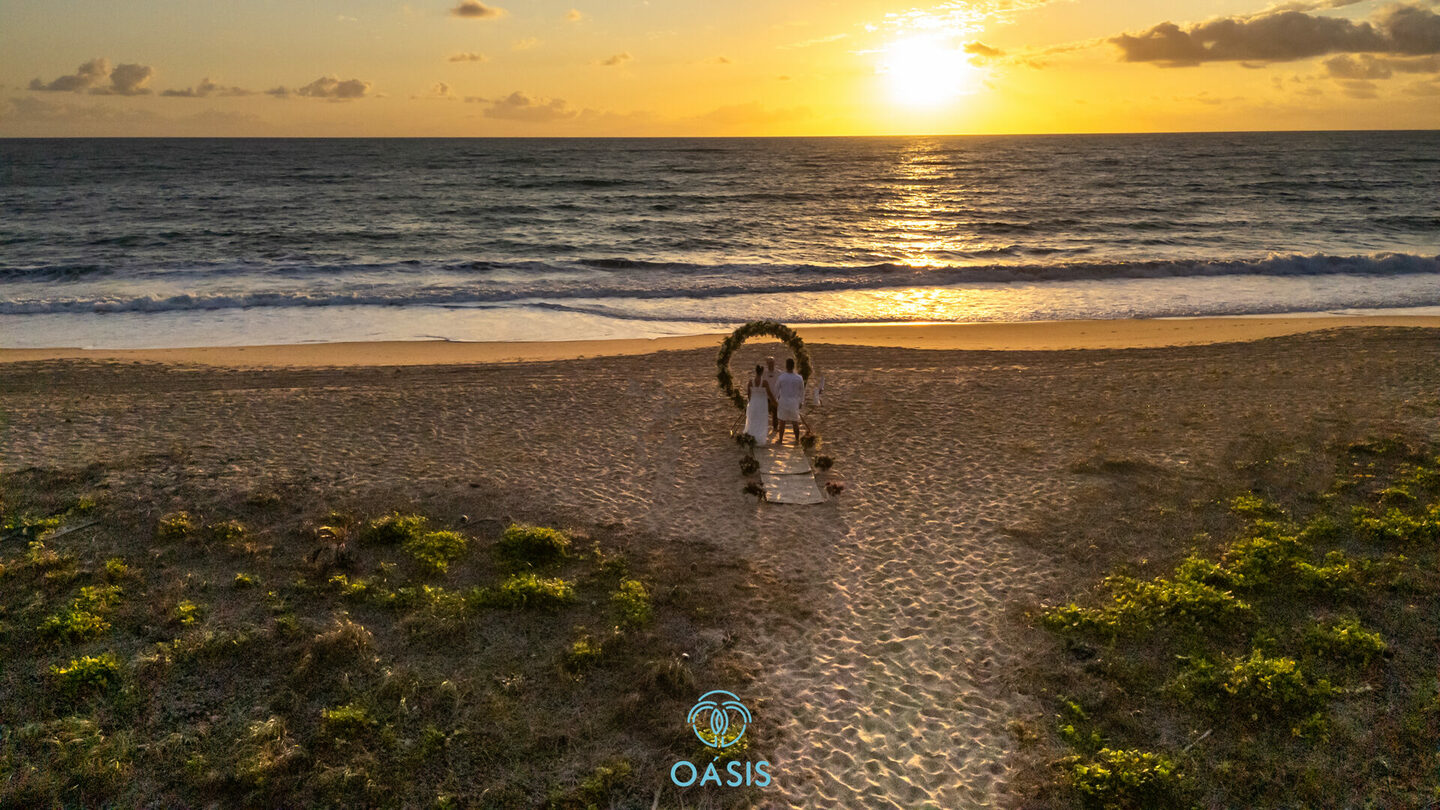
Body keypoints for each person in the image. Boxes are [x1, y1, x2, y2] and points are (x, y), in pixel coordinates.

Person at [773, 358, 806, 446]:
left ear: (786, 366)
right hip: (794, 402)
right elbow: (802, 391)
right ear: (793, 366)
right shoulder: (799, 378)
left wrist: (775, 400)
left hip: (783, 401)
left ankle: (780, 440)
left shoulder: (782, 377)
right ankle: (797, 440)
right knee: (795, 421)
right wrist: (801, 402)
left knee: (782, 421)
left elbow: (776, 389)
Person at [742, 364, 771, 446]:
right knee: (761, 421)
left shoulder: (750, 382)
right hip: (762, 404)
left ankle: (751, 437)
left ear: (756, 371)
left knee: (753, 420)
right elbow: (769, 393)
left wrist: (751, 402)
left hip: (753, 403)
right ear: (762, 372)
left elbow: (748, 394)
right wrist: (774, 402)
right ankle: (759, 439)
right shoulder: (764, 382)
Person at [762, 356, 781, 439]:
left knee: (775, 413)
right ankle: (763, 428)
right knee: (765, 412)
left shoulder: (779, 373)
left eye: (772, 363)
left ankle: (775, 428)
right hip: (766, 396)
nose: (771, 365)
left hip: (776, 395)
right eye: (769, 363)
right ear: (767, 364)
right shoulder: (764, 373)